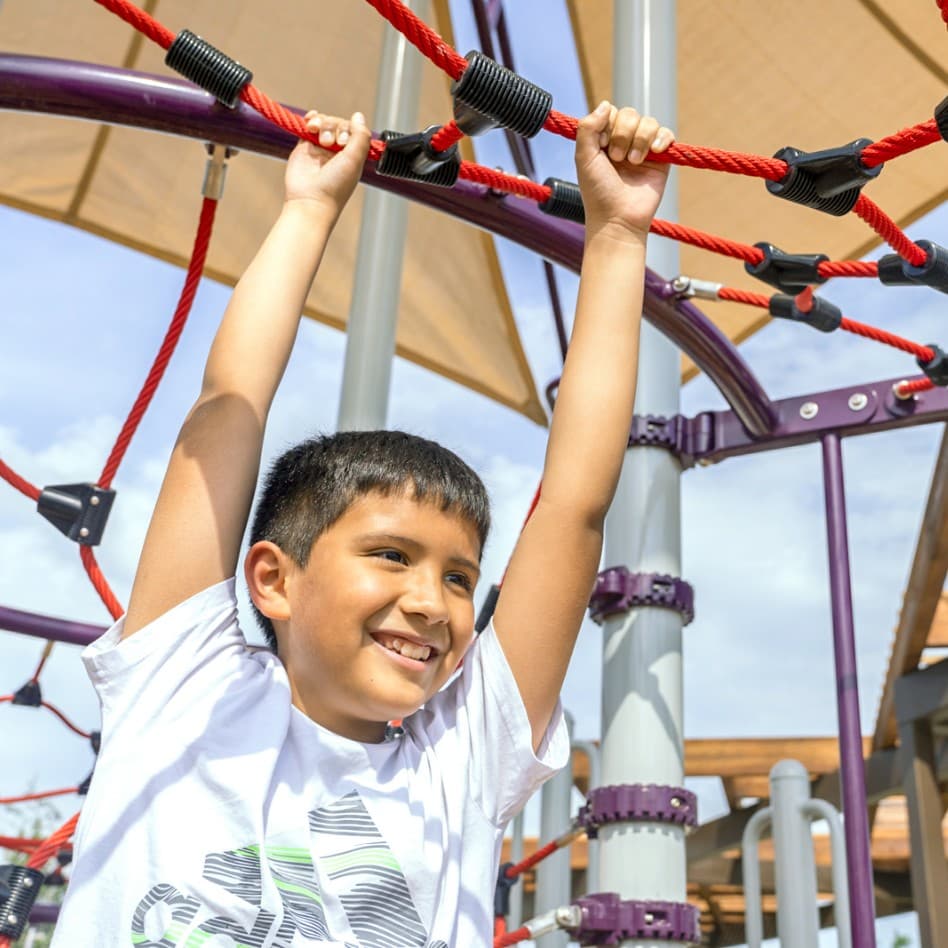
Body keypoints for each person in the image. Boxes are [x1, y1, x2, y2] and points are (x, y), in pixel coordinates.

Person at [52, 102, 674, 947]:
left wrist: (617, 238)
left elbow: (573, 506)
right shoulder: (184, 688)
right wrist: (309, 211)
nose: (432, 601)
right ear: (272, 578)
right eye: (392, 556)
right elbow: (225, 410)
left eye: (460, 577)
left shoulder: (458, 760)